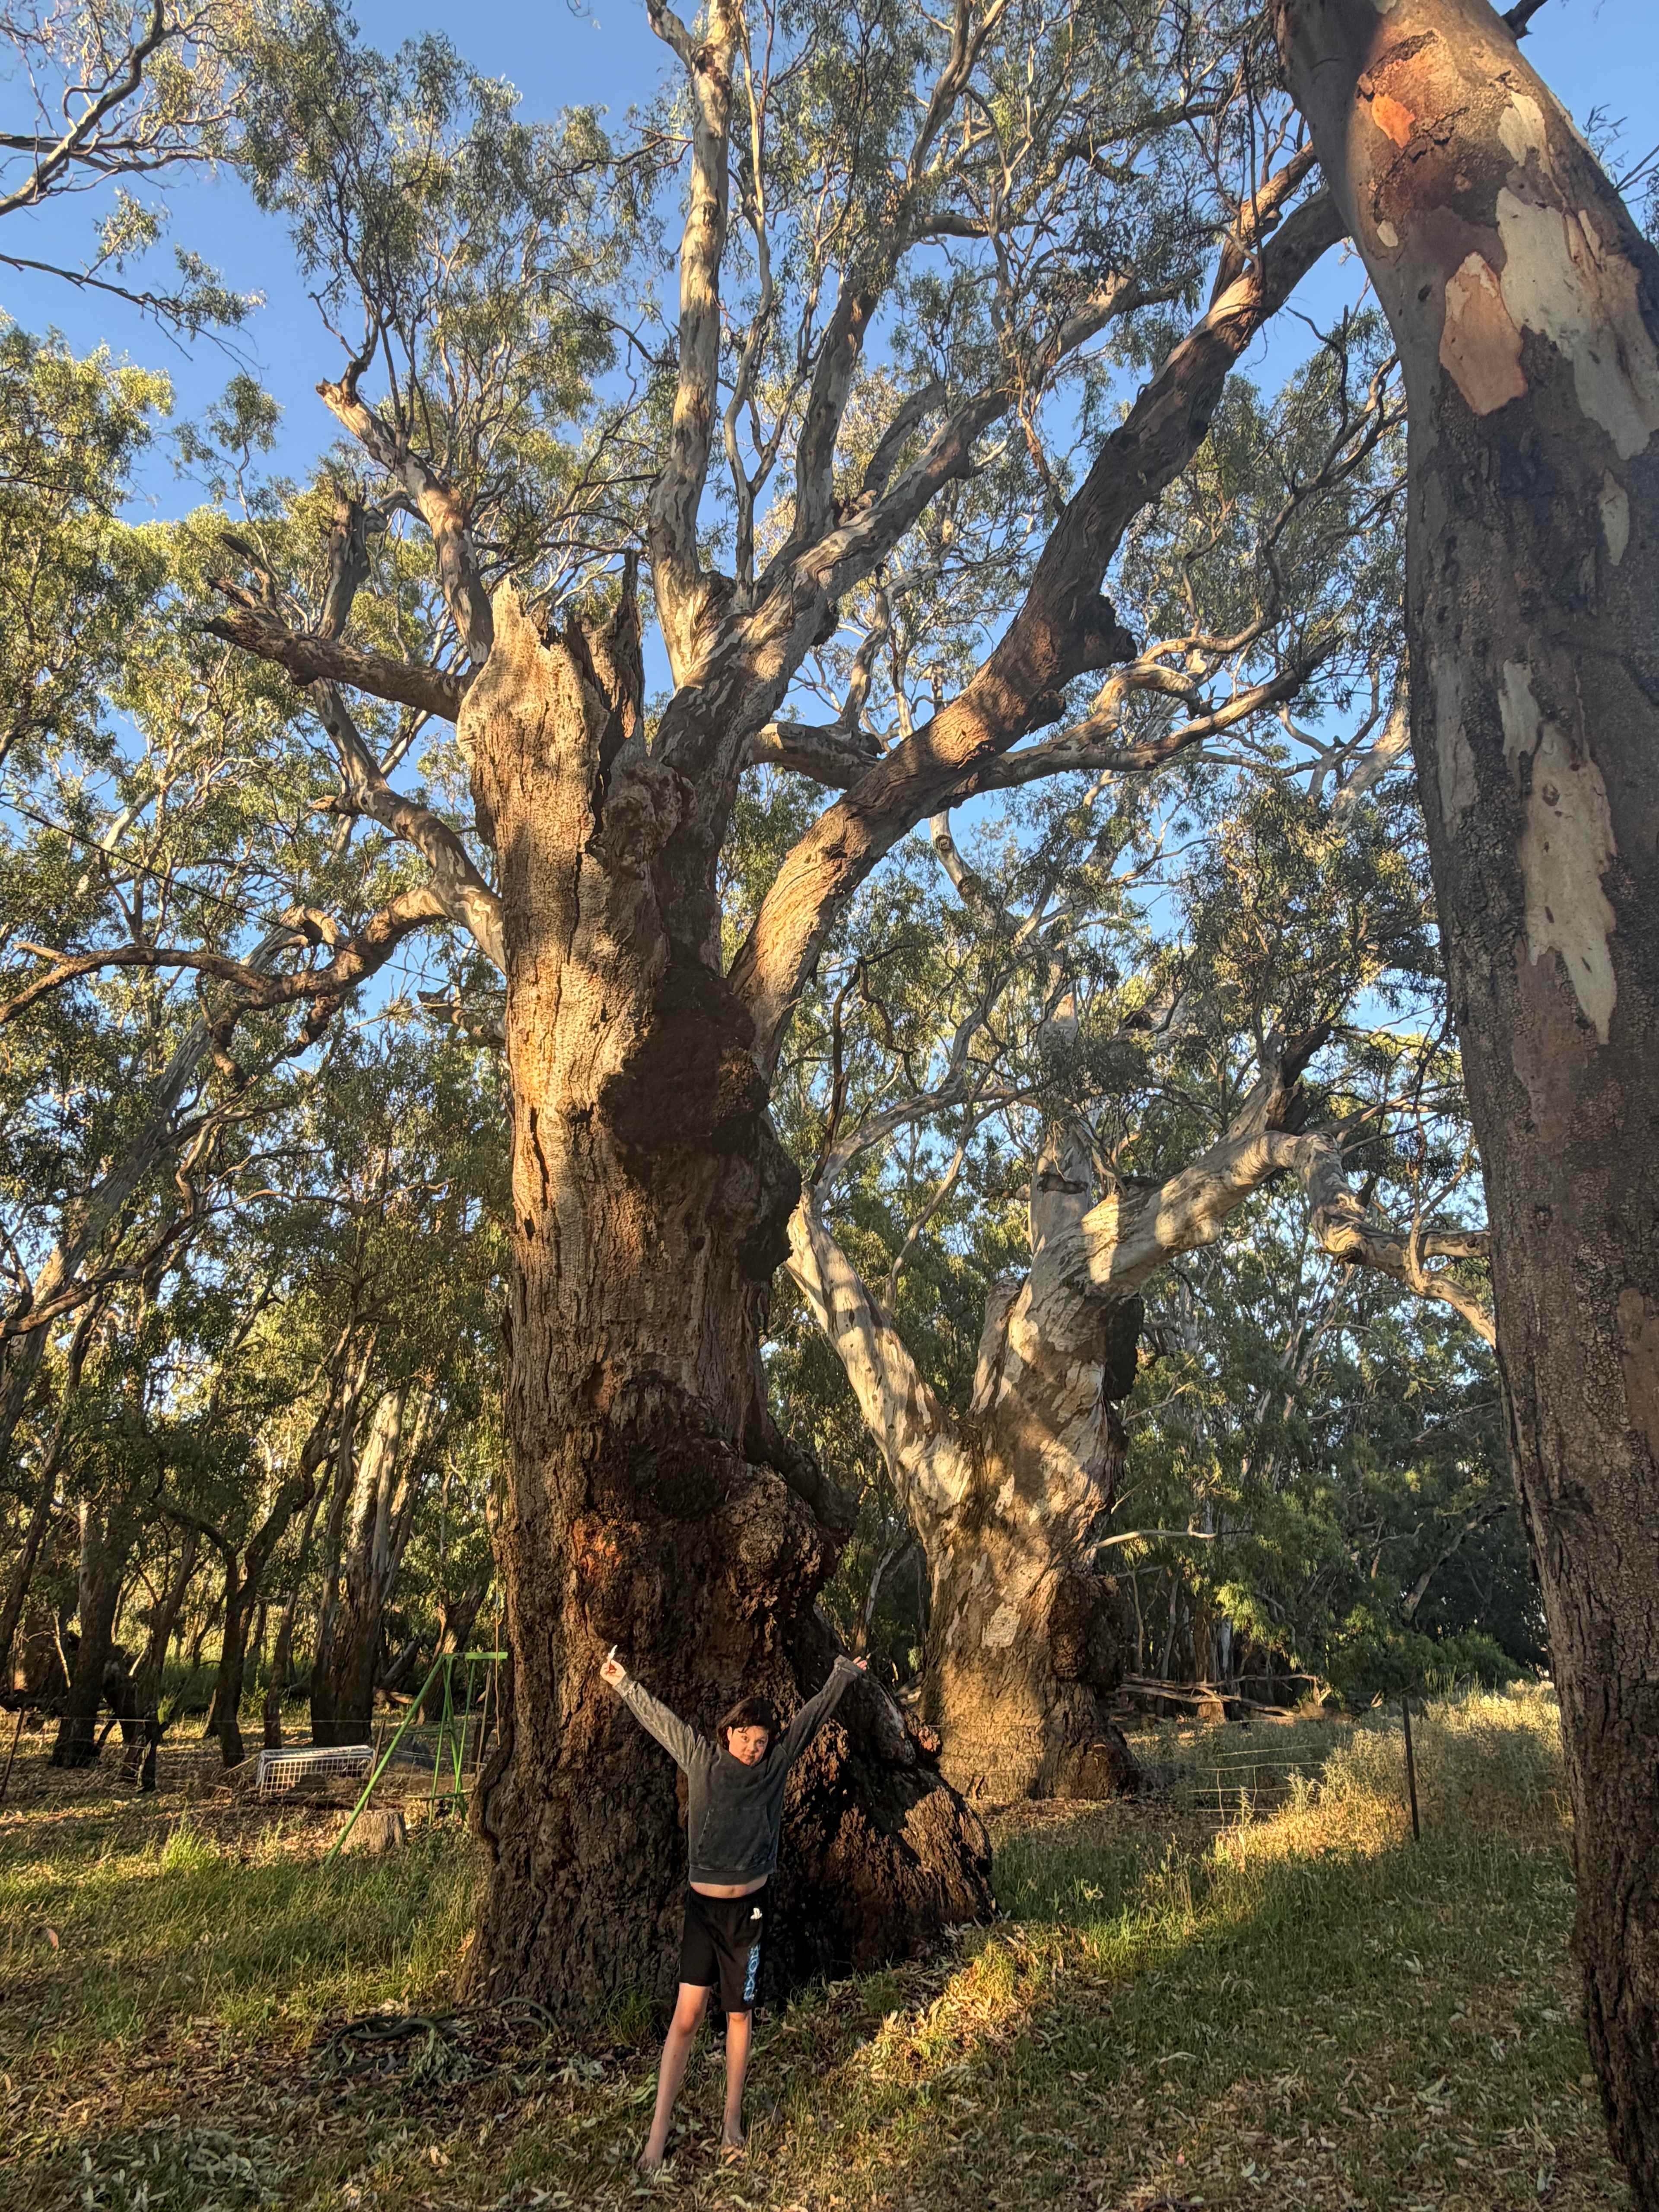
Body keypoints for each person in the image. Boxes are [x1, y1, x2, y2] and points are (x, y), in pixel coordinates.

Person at [600, 1646, 865, 2173]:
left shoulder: (774, 1768)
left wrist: (843, 1673)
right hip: (703, 1912)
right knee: (687, 2017)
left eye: (762, 1740)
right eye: (745, 1736)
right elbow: (664, 1723)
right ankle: (658, 2131)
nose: (752, 1746)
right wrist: (623, 1682)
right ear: (728, 1734)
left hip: (749, 1916)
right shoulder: (702, 1758)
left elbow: (810, 1720)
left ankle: (732, 2119)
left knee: (739, 2015)